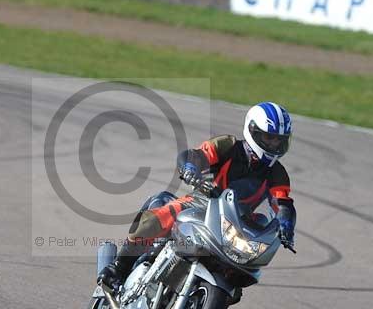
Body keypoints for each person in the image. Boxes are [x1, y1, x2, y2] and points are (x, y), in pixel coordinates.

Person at [98, 102, 297, 289]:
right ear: (252, 130)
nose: (273, 144)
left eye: (279, 140)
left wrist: (286, 225)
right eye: (269, 137)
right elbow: (198, 155)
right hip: (204, 202)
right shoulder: (228, 145)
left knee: (245, 271)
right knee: (153, 221)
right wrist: (190, 168)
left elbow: (283, 203)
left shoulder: (278, 173)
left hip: (237, 222)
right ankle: (118, 268)